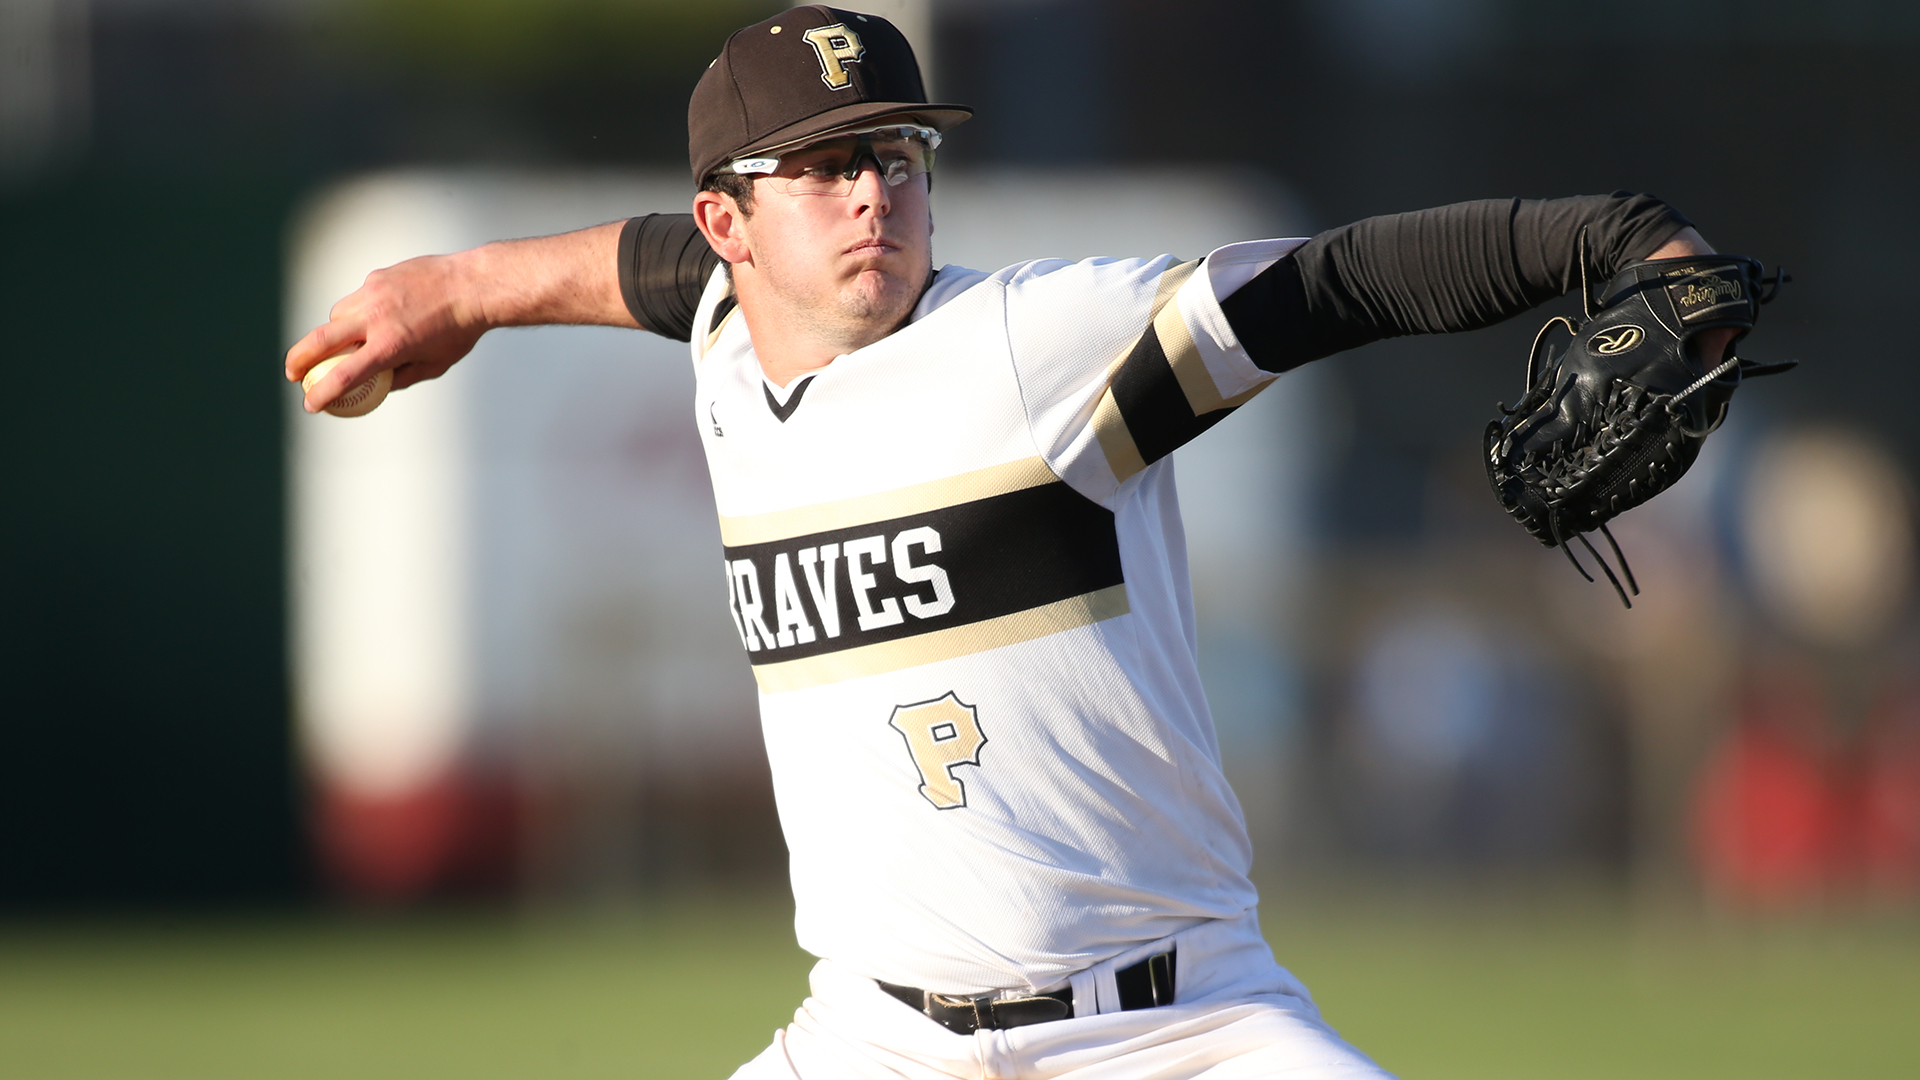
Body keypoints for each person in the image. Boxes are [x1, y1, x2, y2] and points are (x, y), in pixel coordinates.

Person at [288, 7, 1735, 1077]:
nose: (875, 194)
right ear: (730, 221)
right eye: (827, 166)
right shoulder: (730, 334)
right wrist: (455, 288)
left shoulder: (1041, 345)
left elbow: (1329, 284)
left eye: (899, 157)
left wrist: (1621, 238)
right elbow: (638, 267)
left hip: (1177, 1027)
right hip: (871, 1035)